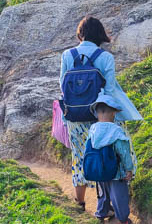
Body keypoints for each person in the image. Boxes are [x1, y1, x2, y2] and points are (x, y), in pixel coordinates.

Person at [59, 16, 141, 211]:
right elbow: (110, 90)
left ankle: (80, 202)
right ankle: (113, 203)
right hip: (101, 116)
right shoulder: (105, 58)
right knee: (111, 155)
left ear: (81, 34)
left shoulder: (67, 55)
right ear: (100, 35)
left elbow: (62, 85)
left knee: (80, 157)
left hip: (75, 117)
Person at [86, 96, 135, 224]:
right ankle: (124, 222)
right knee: (119, 196)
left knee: (103, 194)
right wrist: (129, 169)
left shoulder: (93, 129)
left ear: (97, 113)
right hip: (116, 172)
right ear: (113, 113)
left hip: (99, 170)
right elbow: (124, 152)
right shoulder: (116, 131)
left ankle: (101, 215)